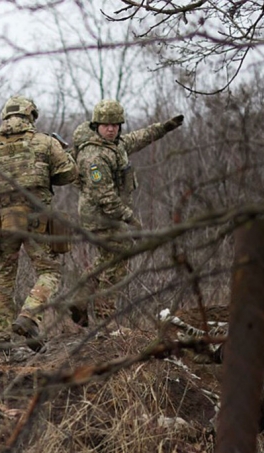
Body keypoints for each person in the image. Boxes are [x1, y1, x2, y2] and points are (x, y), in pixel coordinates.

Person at [0, 96, 77, 351]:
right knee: (49, 272)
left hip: (6, 221)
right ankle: (29, 315)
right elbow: (69, 174)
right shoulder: (45, 143)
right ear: (31, 117)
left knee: (4, 277)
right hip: (38, 220)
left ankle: (2, 341)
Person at [70, 99, 183, 326]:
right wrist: (131, 219)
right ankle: (105, 320)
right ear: (96, 126)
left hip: (107, 215)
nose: (111, 129)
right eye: (106, 125)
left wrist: (163, 128)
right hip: (99, 216)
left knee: (106, 258)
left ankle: (80, 300)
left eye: (116, 124)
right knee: (119, 258)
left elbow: (137, 138)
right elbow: (106, 198)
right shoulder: (94, 156)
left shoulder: (114, 144)